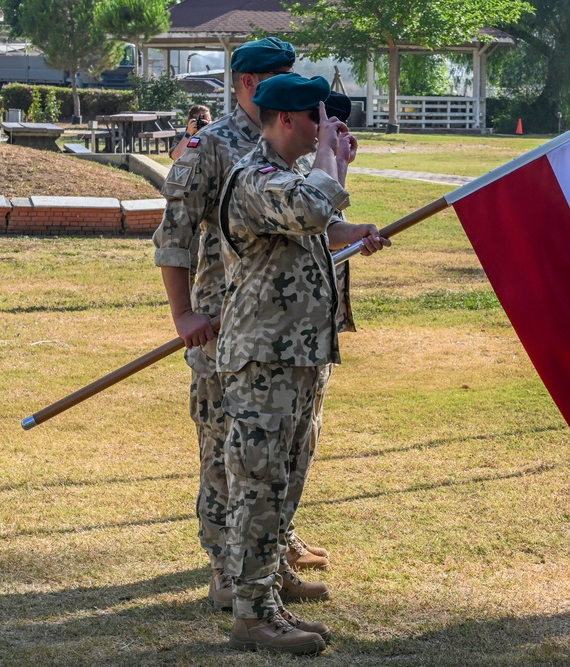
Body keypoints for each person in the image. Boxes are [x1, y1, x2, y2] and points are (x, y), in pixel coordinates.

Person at [152, 36, 332, 614]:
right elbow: (174, 237)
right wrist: (183, 314)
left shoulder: (285, 140)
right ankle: (226, 568)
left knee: (283, 447)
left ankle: (268, 559)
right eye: (281, 79)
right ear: (252, 84)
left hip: (287, 328)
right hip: (224, 324)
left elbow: (304, 219)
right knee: (225, 446)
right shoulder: (212, 146)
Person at [217, 72, 389, 655]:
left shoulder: (288, 180)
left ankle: (268, 602)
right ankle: (250, 614)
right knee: (258, 490)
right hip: (263, 362)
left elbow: (313, 223)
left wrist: (352, 227)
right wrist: (333, 167)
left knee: (281, 487)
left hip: (296, 360)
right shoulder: (255, 177)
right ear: (287, 120)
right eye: (319, 120)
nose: (329, 131)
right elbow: (310, 205)